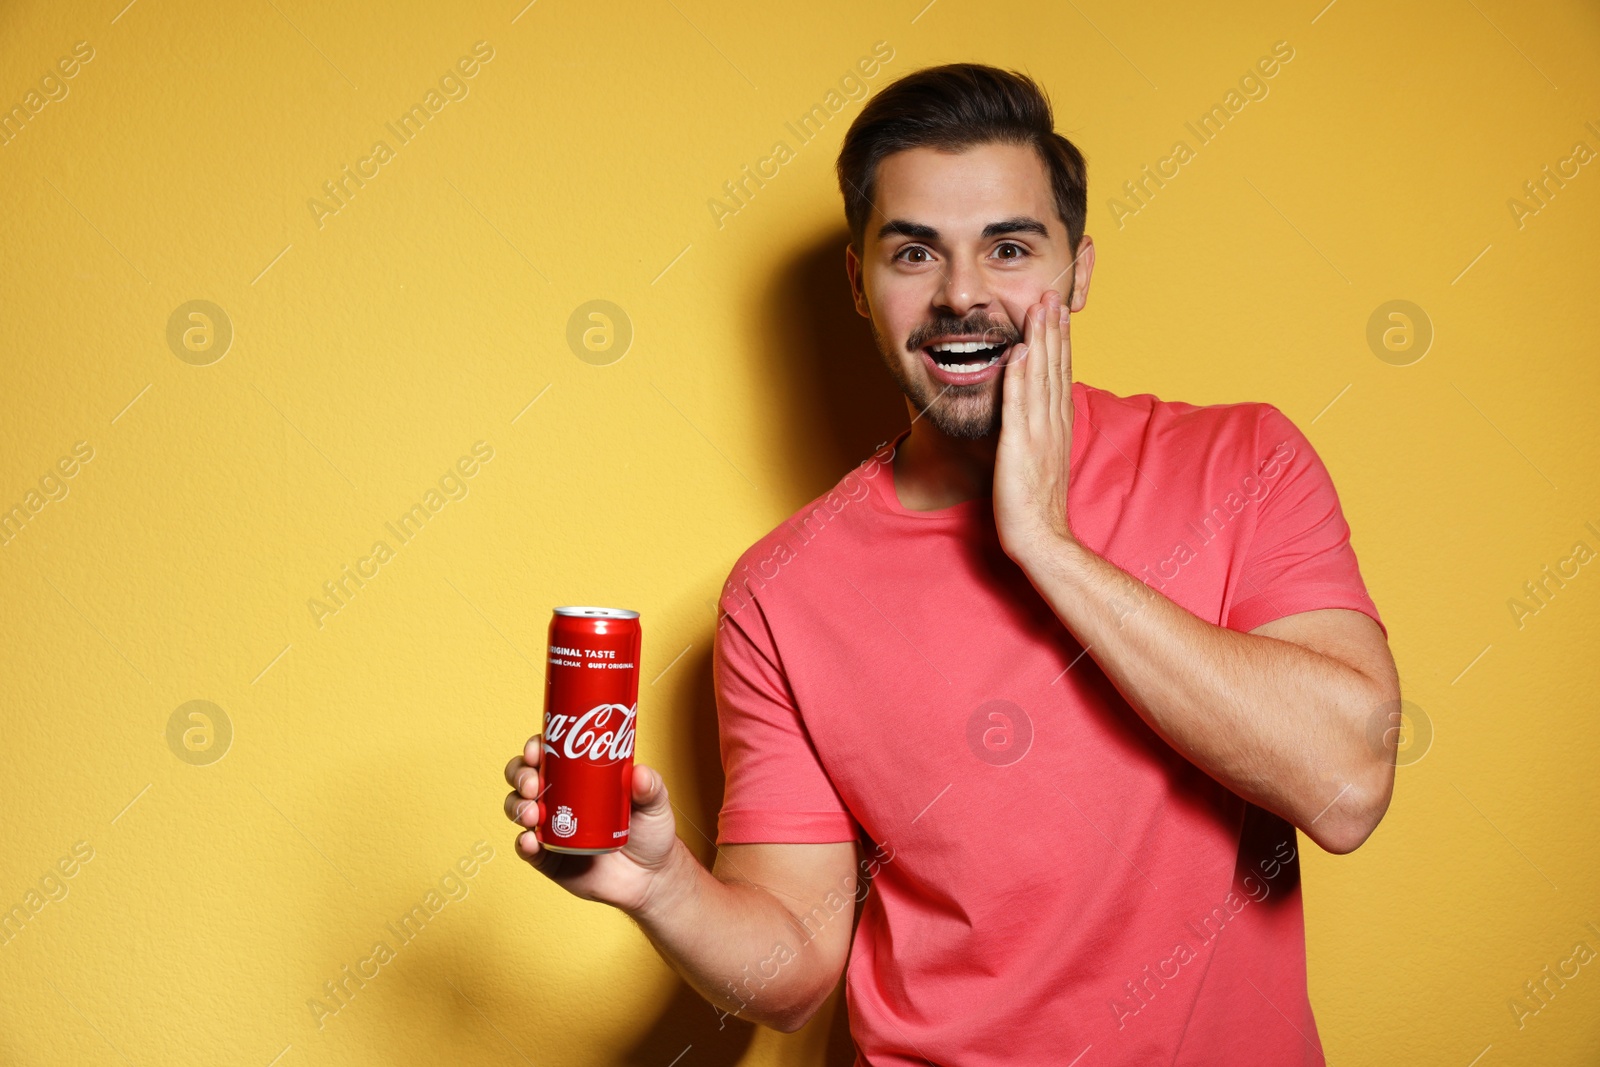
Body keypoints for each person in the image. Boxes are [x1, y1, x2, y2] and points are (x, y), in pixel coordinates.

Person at [504, 63, 1399, 1065]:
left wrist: (1046, 546)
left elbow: (1344, 783)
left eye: (1008, 247)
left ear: (1079, 269)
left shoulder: (1239, 463)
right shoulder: (780, 591)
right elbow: (794, 970)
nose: (962, 294)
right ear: (858, 282)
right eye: (914, 253)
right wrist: (659, 883)